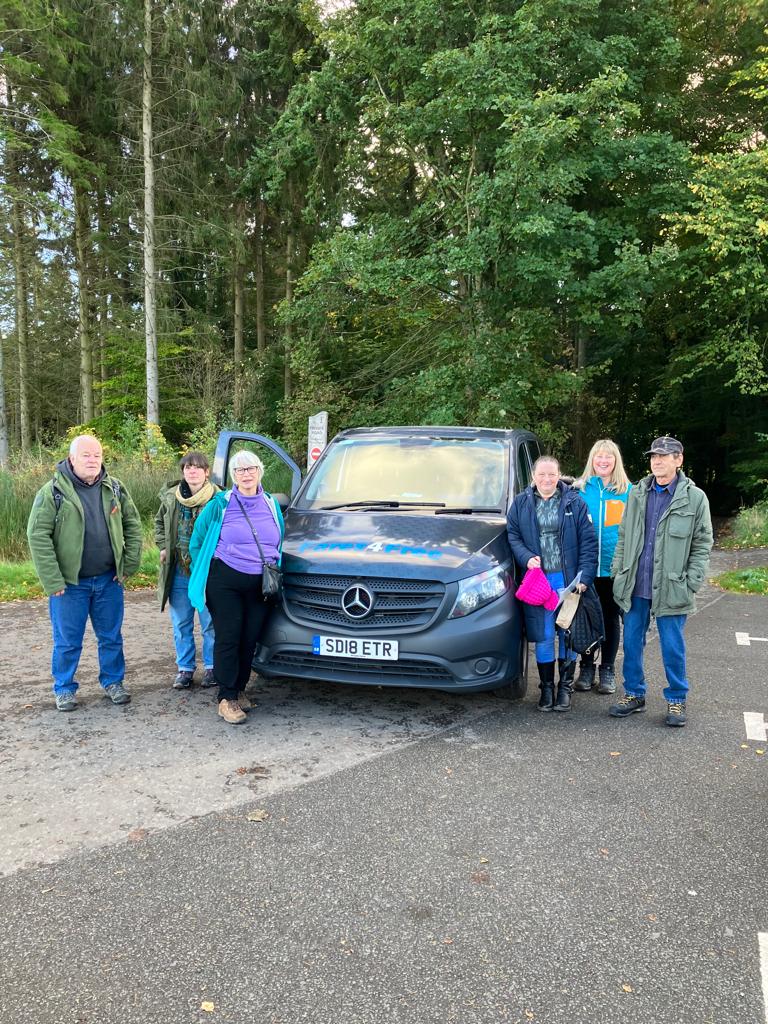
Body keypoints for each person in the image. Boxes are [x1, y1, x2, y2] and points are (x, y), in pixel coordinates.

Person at [27, 434, 143, 711]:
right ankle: (64, 688)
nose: (92, 461)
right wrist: (52, 579)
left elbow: (133, 525)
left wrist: (128, 564)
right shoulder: (52, 492)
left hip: (108, 580)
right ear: (72, 459)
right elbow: (37, 535)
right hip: (69, 585)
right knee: (67, 641)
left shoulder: (114, 487)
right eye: (86, 455)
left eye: (97, 455)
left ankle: (113, 682)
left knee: (111, 637)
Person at [610, 436, 713, 727]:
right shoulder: (637, 493)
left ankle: (677, 699)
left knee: (672, 644)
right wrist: (618, 570)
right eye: (654, 456)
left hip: (672, 585)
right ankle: (633, 693)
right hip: (636, 582)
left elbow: (703, 542)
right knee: (631, 642)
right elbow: (624, 535)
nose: (657, 460)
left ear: (678, 460)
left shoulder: (695, 498)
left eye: (665, 456)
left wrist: (692, 580)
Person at [188, 449, 285, 725]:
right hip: (225, 580)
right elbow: (198, 541)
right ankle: (226, 697)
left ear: (259, 472)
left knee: (249, 638)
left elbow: (280, 541)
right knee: (229, 636)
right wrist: (205, 570)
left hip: (260, 582)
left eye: (251, 468)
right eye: (240, 470)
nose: (246, 474)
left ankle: (240, 689)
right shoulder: (220, 503)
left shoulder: (271, 503)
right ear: (233, 475)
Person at [507, 456, 598, 712]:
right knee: (544, 636)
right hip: (539, 582)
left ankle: (565, 688)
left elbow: (589, 543)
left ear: (559, 475)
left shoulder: (574, 503)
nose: (547, 479)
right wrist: (526, 558)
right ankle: (547, 688)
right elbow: (512, 535)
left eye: (552, 474)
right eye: (542, 475)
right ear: (533, 477)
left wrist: (585, 579)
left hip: (567, 581)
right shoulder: (522, 503)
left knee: (566, 634)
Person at [155, 451, 220, 689]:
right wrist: (163, 546)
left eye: (197, 467)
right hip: (180, 572)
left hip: (207, 572)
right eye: (187, 467)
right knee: (181, 623)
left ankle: (212, 668)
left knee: (210, 622)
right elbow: (159, 523)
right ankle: (185, 669)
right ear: (183, 472)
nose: (191, 471)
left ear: (206, 472)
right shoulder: (171, 498)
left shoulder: (219, 499)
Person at [573, 440, 632, 696]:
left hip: (612, 569)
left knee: (609, 619)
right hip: (585, 568)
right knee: (585, 619)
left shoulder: (629, 492)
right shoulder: (579, 490)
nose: (603, 461)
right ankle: (586, 667)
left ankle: (606, 669)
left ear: (616, 460)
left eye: (608, 457)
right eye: (599, 456)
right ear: (592, 460)